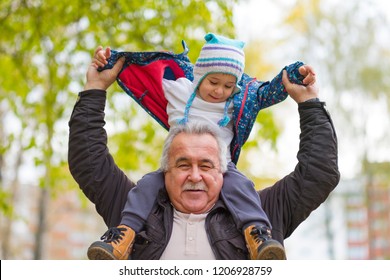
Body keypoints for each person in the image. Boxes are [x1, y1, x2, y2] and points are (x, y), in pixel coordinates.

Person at [68, 42, 340, 259]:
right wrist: (95, 89)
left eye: (207, 165)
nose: (195, 176)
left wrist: (309, 102)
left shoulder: (261, 215)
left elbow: (318, 174)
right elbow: (89, 162)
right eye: (184, 164)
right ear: (165, 171)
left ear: (223, 170)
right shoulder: (133, 210)